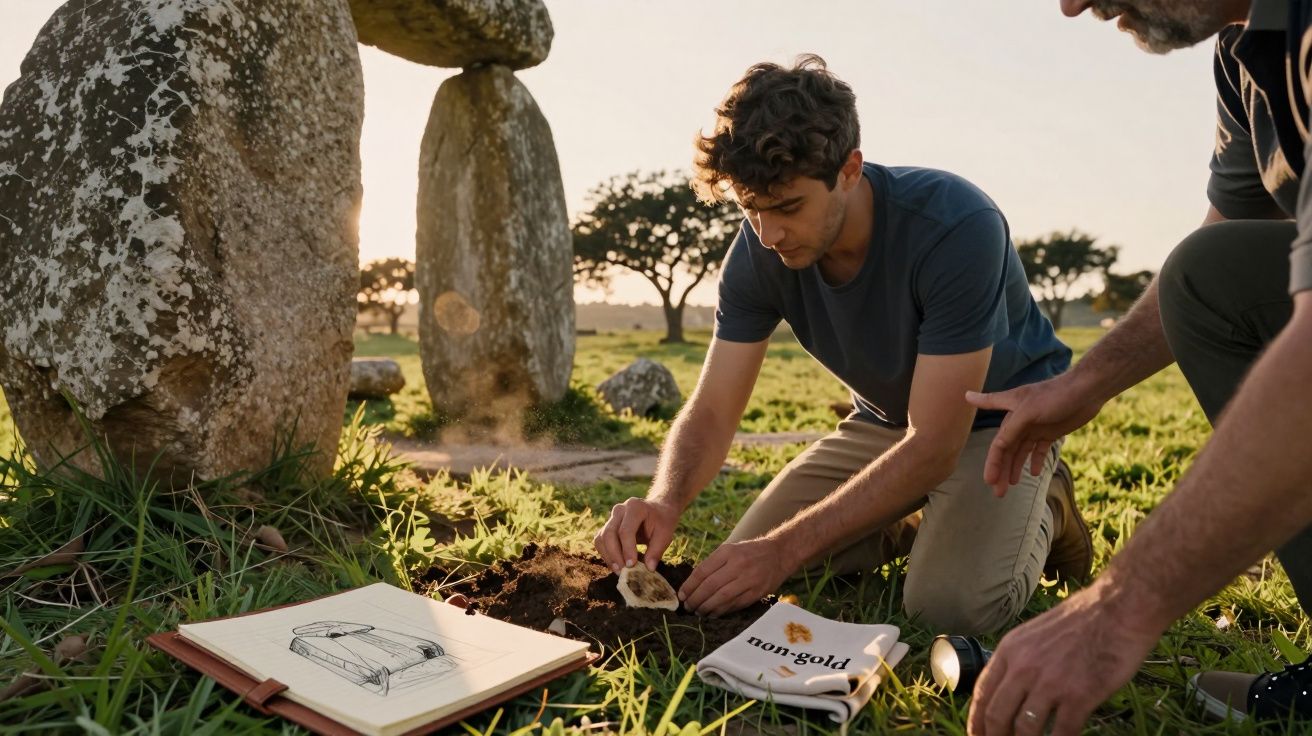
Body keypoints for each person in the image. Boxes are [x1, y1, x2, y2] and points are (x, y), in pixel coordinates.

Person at [592, 55, 1091, 634]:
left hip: (997, 427)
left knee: (948, 609)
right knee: (739, 572)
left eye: (786, 207)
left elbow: (934, 443)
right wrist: (665, 499)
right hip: (884, 425)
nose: (768, 234)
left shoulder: (956, 225)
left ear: (849, 170)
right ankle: (909, 522)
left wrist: (784, 548)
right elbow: (711, 408)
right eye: (750, 207)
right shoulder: (757, 253)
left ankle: (1048, 507)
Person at [965, 1, 1312, 734]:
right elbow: (1225, 241)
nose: (1071, 6)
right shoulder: (1246, 47)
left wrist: (1118, 610)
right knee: (1208, 275)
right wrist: (1081, 384)